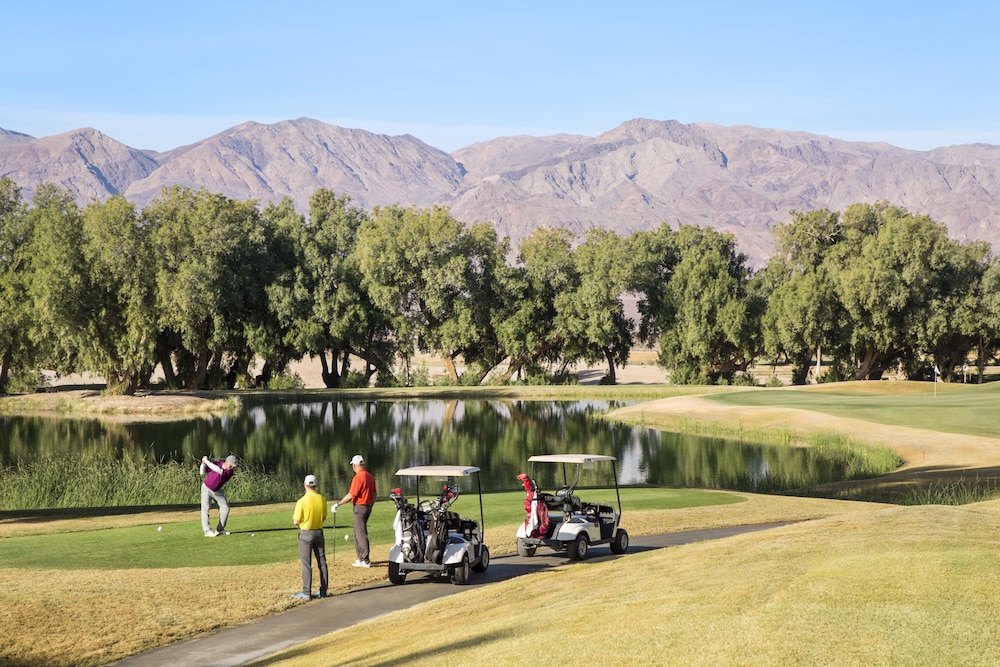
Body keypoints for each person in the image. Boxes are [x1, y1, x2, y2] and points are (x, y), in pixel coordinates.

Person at [332, 454, 377, 567]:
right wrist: (371, 504)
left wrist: (338, 504)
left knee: (360, 533)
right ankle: (361, 558)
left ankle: (365, 560)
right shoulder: (370, 476)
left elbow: (351, 495)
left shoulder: (358, 477)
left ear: (355, 465)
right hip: (367, 506)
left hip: (360, 507)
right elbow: (375, 493)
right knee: (357, 531)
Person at [292, 474, 329, 599]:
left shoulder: (301, 501)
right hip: (319, 531)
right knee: (322, 562)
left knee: (306, 564)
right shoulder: (322, 499)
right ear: (316, 485)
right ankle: (323, 591)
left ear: (305, 485)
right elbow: (324, 517)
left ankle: (306, 592)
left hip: (306, 533)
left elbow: (296, 521)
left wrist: (301, 525)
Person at [200, 454, 237, 537]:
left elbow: (218, 470)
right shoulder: (217, 464)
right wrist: (203, 463)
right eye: (231, 465)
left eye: (233, 466)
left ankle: (220, 529)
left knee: (225, 508)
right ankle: (207, 531)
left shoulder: (230, 472)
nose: (231, 467)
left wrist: (207, 462)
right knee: (205, 509)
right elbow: (202, 472)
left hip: (217, 491)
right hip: (206, 488)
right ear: (226, 462)